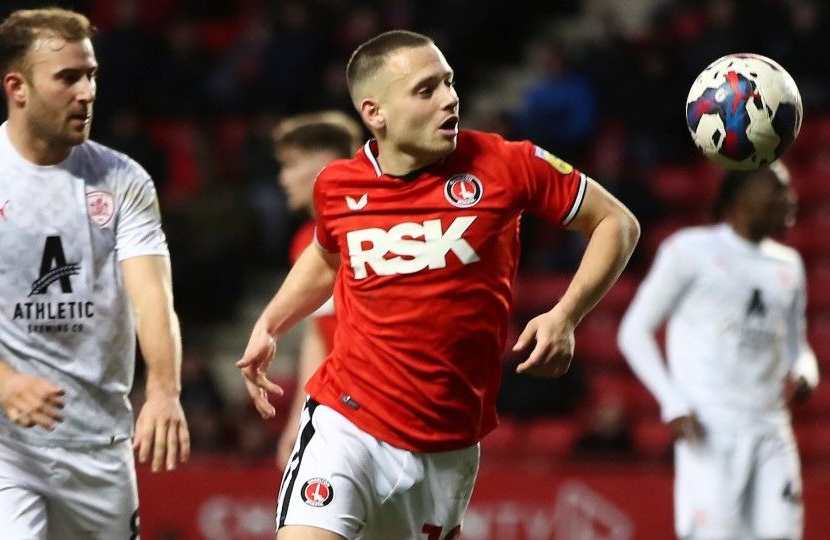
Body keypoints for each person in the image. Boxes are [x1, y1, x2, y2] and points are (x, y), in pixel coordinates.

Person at [238, 30, 640, 539]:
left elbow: (617, 223)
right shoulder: (338, 185)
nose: (450, 98)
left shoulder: (506, 163)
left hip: (448, 451)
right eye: (426, 90)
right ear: (375, 113)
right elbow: (325, 256)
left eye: (449, 83)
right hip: (348, 423)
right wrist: (271, 323)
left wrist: (566, 313)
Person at [0, 8, 190, 539]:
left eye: (91, 75)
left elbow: (152, 299)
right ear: (17, 86)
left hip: (99, 446)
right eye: (67, 78)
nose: (86, 92)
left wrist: (163, 390)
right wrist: (3, 380)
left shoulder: (122, 179)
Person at [618, 161, 819, 539]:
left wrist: (806, 373)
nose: (789, 199)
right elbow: (633, 331)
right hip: (711, 431)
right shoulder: (689, 251)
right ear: (741, 196)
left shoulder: (789, 265)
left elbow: (798, 348)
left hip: (772, 432)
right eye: (777, 189)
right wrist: (672, 402)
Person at [270, 111, 363, 469]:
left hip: (380, 409)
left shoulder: (368, 227)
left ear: (324, 164)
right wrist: (299, 419)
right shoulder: (303, 242)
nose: (283, 178)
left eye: (291, 164)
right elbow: (318, 336)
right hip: (335, 411)